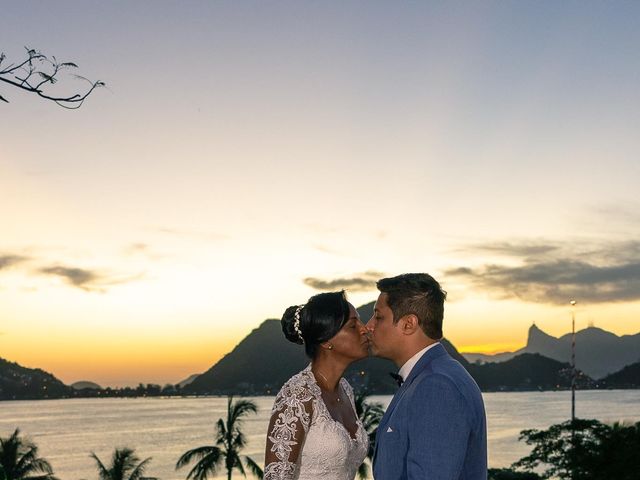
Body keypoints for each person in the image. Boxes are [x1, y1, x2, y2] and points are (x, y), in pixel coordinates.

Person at [367, 273, 487, 480]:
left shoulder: (436, 386)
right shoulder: (429, 376)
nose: (368, 326)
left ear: (408, 324)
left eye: (378, 317)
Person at [264, 291, 370, 480]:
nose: (364, 329)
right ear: (327, 340)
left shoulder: (345, 389)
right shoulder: (297, 395)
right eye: (353, 325)